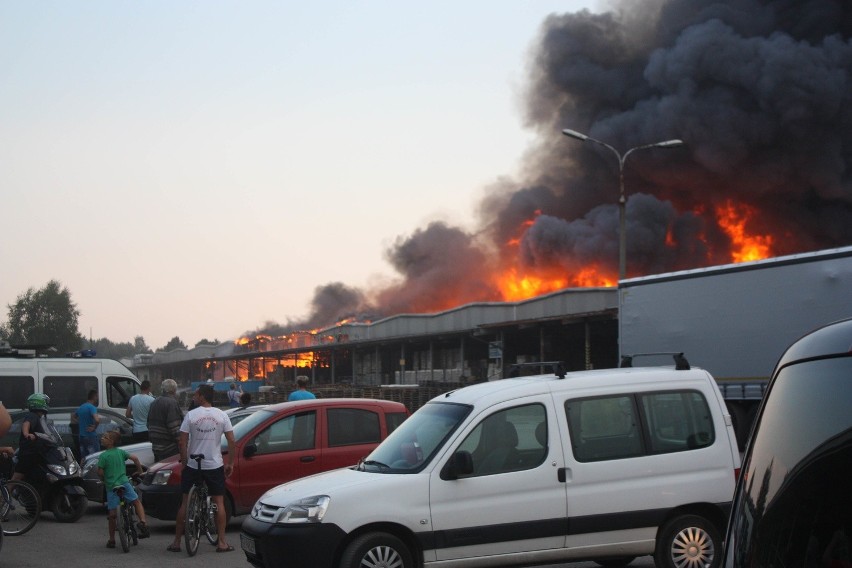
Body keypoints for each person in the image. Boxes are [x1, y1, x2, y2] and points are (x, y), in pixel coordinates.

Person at [167, 384, 236, 553]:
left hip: (193, 464)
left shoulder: (191, 415)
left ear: (202, 397)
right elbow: (232, 440)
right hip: (214, 464)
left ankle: (177, 542)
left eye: (196, 395)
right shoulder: (221, 415)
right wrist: (231, 463)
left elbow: (182, 442)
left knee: (185, 502)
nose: (194, 397)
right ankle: (221, 542)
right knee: (219, 502)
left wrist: (184, 463)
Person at [97, 430, 150, 548]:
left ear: (111, 442)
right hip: (124, 483)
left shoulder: (103, 456)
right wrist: (140, 472)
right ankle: (143, 522)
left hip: (111, 487)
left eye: (104, 437)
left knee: (112, 515)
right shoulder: (120, 452)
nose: (102, 438)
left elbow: (99, 471)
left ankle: (111, 540)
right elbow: (135, 459)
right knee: (136, 501)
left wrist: (103, 479)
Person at [11, 393, 50, 482]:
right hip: (28, 453)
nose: (47, 405)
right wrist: (26, 434)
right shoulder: (32, 415)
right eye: (45, 402)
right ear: (39, 403)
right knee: (17, 477)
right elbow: (26, 424)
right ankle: (5, 494)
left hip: (35, 452)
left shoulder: (40, 419)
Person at [147, 379, 183, 462]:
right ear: (173, 390)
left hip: (156, 446)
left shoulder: (154, 402)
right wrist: (181, 443)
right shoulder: (171, 403)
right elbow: (174, 427)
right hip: (169, 448)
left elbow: (148, 423)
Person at [76, 389, 101, 460]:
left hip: (81, 436)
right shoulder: (92, 407)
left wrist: (81, 423)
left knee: (84, 458)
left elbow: (73, 416)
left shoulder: (81, 407)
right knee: (95, 457)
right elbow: (97, 420)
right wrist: (94, 427)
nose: (97, 398)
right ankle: (94, 471)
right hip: (90, 436)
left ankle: (83, 470)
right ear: (94, 397)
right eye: (97, 396)